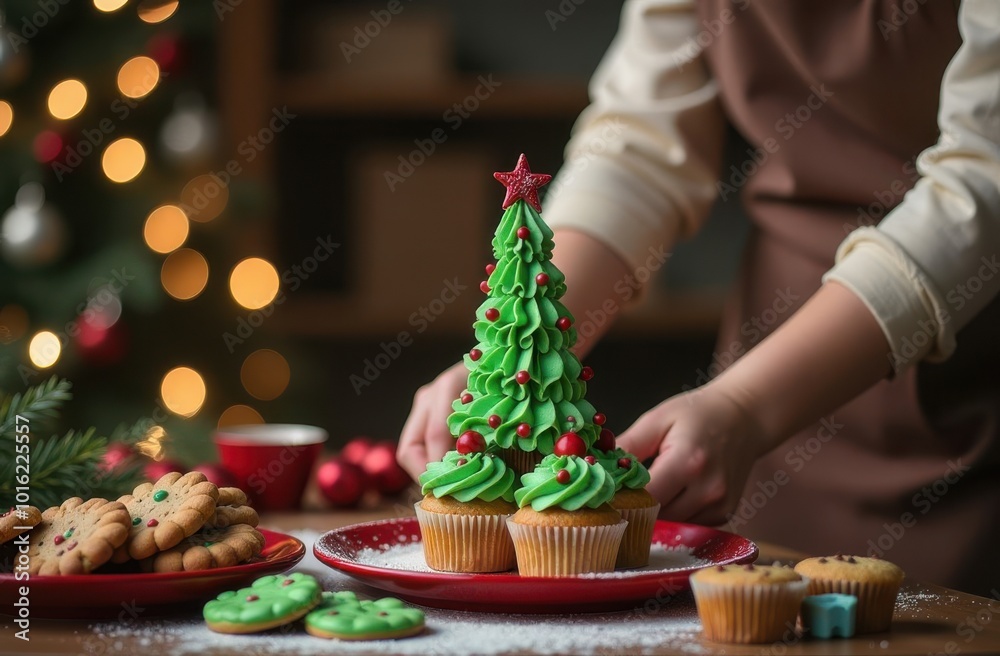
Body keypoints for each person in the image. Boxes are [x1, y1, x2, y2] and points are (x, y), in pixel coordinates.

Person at [398, 0, 1000, 595]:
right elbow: (640, 149)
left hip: (955, 369)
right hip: (771, 345)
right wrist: (517, 366)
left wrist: (748, 406)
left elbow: (985, 179)